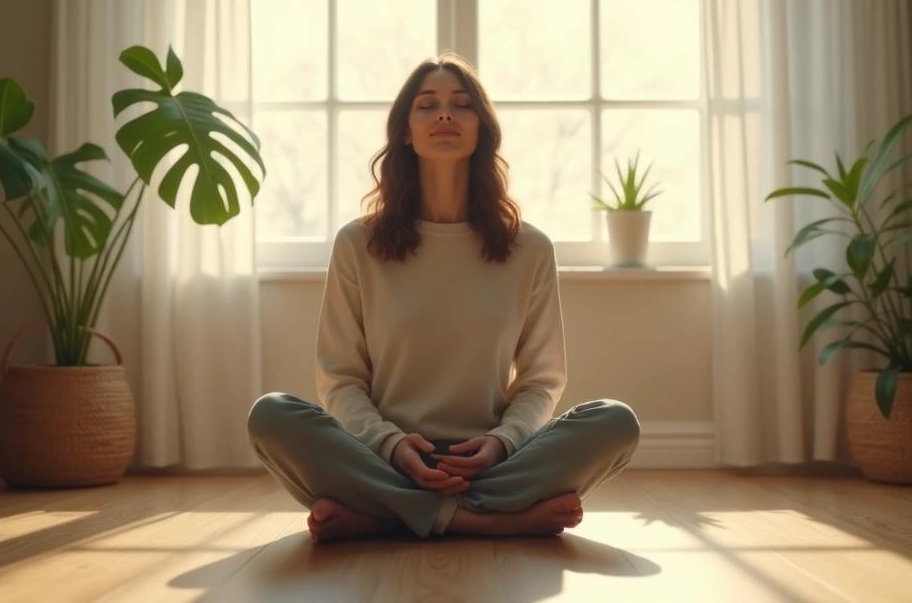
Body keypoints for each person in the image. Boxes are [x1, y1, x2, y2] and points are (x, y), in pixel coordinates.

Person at [247, 53, 641, 542]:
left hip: (492, 462)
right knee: (271, 415)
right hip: (384, 458)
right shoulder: (358, 244)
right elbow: (341, 381)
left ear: (482, 130)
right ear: (406, 132)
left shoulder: (530, 248)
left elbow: (540, 381)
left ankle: (387, 516)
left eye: (462, 104)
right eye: (426, 104)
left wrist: (502, 443)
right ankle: (487, 521)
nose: (445, 114)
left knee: (616, 422)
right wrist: (391, 446)